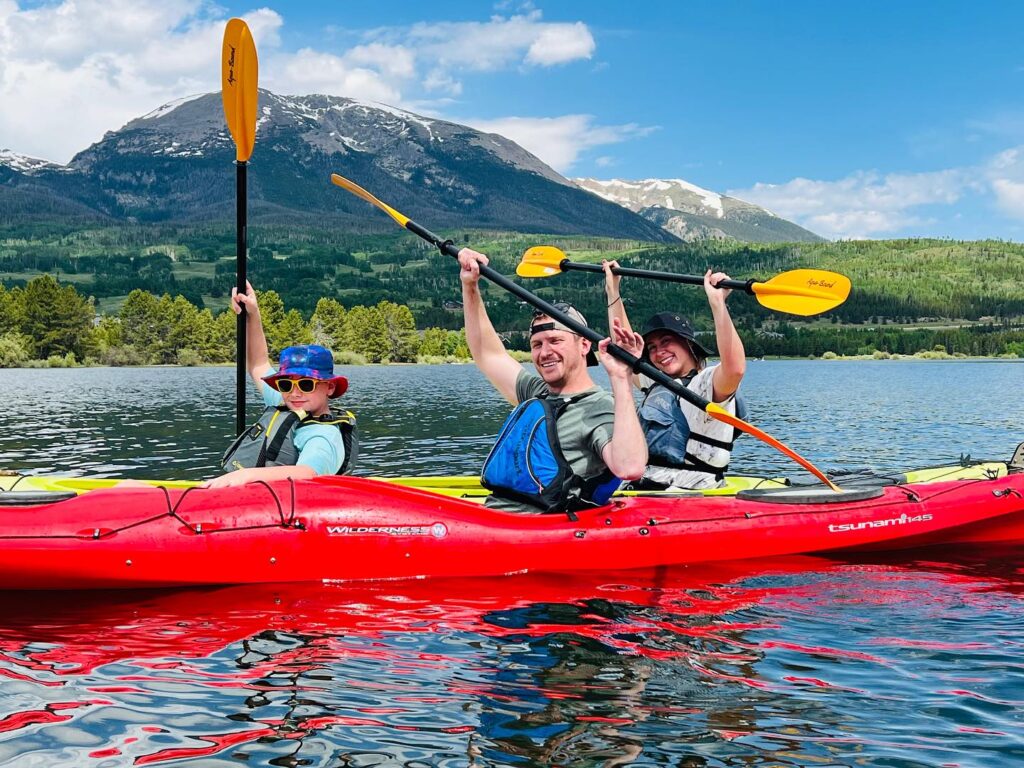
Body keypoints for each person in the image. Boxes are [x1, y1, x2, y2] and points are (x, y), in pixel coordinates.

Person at [458, 248, 647, 514]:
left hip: (537, 532)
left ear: (584, 345)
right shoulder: (537, 392)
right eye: (536, 344)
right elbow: (487, 353)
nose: (544, 352)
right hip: (497, 518)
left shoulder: (599, 408)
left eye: (556, 341)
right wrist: (470, 285)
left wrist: (620, 377)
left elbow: (629, 468)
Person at [604, 261, 746, 491]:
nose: (659, 352)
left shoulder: (707, 385)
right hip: (646, 488)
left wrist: (718, 303)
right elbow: (623, 343)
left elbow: (735, 368)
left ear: (689, 345)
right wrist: (612, 290)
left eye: (667, 342)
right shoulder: (657, 384)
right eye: (651, 347)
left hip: (694, 492)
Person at [202, 281, 356, 489]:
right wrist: (252, 313)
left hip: (296, 512)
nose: (294, 392)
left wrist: (246, 476)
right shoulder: (291, 403)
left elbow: (306, 474)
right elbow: (258, 363)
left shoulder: (323, 436)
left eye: (307, 384)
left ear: (329, 387)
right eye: (285, 384)